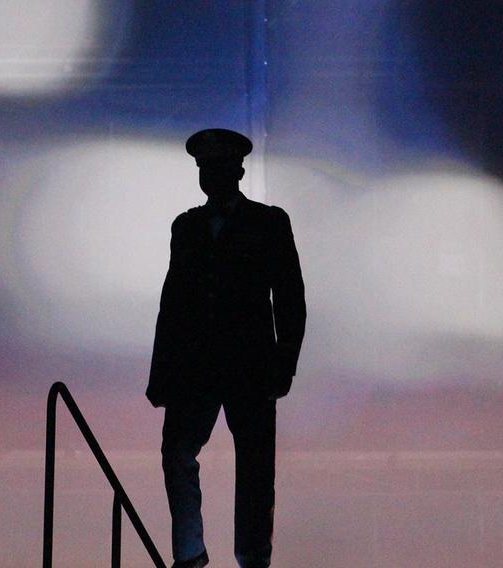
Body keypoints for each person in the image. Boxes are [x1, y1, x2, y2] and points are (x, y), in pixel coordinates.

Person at [147, 128, 306, 568]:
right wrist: (162, 373)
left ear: (236, 171)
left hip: (245, 368)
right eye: (205, 168)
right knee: (185, 454)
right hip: (204, 369)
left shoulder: (269, 222)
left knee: (252, 465)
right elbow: (173, 303)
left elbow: (290, 299)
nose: (211, 175)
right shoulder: (188, 227)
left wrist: (283, 365)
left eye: (217, 167)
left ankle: (243, 556)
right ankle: (194, 555)